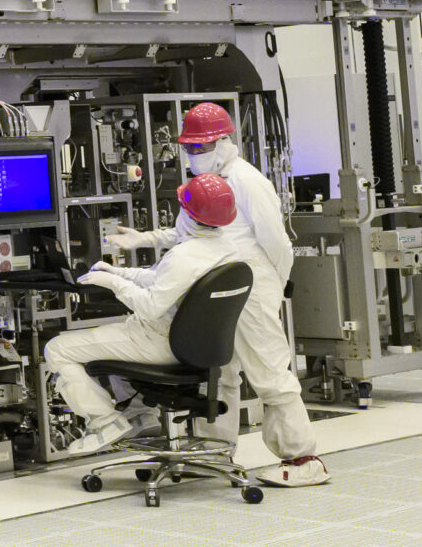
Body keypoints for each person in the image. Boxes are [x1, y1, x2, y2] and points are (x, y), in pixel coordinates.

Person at [103, 102, 324, 485]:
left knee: (268, 370)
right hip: (214, 285)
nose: (194, 155)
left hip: (249, 284)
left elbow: (277, 242)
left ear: (224, 142)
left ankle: (303, 458)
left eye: (201, 147)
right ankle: (213, 452)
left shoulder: (246, 180)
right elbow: (192, 230)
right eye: (189, 148)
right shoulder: (205, 184)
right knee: (219, 371)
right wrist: (147, 238)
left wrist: (275, 285)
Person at [58, 173, 247, 453]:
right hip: (201, 348)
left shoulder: (185, 255)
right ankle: (139, 419)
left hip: (160, 344)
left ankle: (105, 421)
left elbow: (149, 305)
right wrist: (119, 272)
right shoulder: (227, 250)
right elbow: (162, 279)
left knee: (58, 350)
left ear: (189, 216)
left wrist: (113, 283)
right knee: (107, 345)